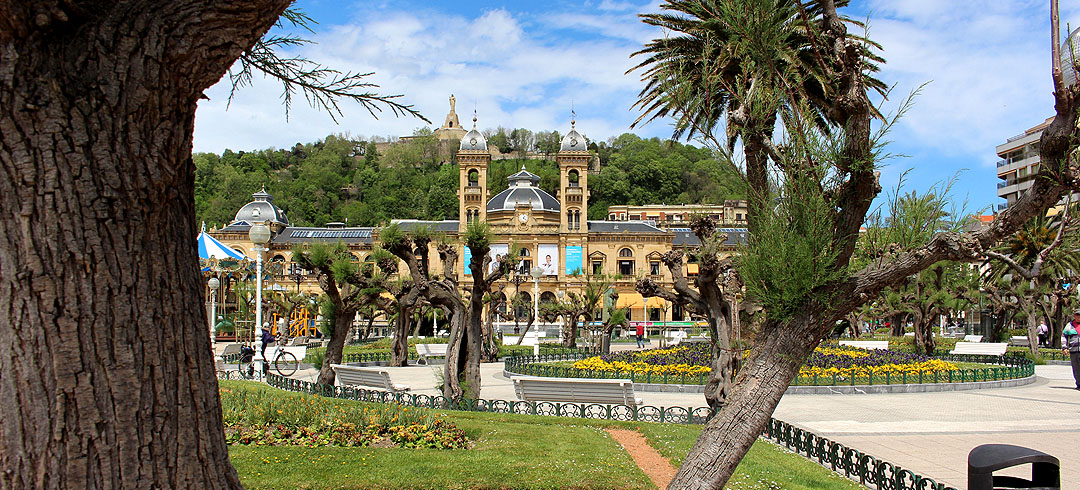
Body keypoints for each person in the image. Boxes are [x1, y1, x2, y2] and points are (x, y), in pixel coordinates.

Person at [1065, 311, 1080, 390]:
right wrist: (1064, 347)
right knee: (1076, 368)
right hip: (1074, 351)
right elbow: (1064, 336)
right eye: (1077, 315)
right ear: (1074, 316)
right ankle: (1079, 384)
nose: (1079, 317)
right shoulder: (1069, 325)